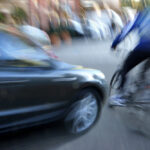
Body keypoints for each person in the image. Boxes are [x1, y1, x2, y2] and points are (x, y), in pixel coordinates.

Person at [109, 7, 150, 105]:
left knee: (125, 68)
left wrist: (115, 44)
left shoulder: (141, 15)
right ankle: (143, 88)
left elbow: (126, 30)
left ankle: (121, 96)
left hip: (143, 48)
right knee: (144, 69)